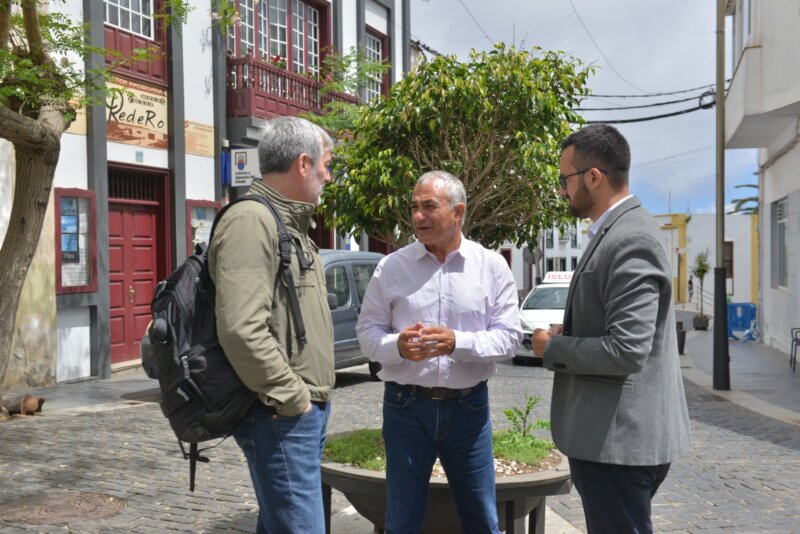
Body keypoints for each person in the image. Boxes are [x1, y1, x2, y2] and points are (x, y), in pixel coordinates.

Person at [532, 124, 692, 533]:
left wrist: (554, 347)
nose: (562, 190)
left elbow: (627, 350)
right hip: (616, 442)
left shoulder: (629, 238)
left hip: (618, 445)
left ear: (593, 177)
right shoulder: (617, 231)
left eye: (564, 179)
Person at [356, 171, 522, 534]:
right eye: (414, 207)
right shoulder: (392, 267)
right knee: (402, 521)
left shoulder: (491, 266)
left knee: (482, 519)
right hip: (405, 408)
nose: (418, 217)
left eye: (429, 207)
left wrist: (456, 343)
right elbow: (366, 334)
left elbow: (510, 338)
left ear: (458, 211)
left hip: (468, 409)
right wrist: (395, 347)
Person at [209, 116, 335, 534]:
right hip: (281, 414)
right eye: (325, 166)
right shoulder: (252, 221)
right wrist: (292, 397)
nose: (327, 177)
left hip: (298, 413)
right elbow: (241, 329)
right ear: (303, 164)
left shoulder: (290, 226)